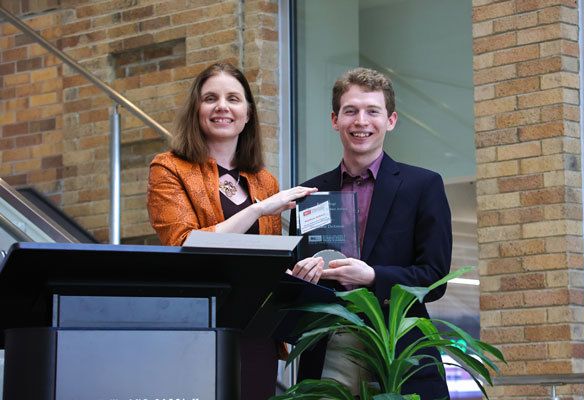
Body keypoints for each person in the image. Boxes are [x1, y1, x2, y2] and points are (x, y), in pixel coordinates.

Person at [147, 62, 316, 400]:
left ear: (248, 113)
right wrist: (257, 209)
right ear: (197, 109)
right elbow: (184, 243)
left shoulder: (263, 180)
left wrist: (297, 274)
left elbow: (263, 260)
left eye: (233, 99)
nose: (222, 107)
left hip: (258, 327)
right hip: (199, 323)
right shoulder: (168, 167)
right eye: (211, 98)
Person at [290, 67, 452, 399]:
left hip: (398, 351)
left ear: (390, 120)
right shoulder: (309, 194)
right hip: (327, 353)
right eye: (350, 111)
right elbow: (300, 289)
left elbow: (435, 278)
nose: (361, 121)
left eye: (372, 111)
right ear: (335, 120)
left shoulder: (423, 185)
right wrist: (299, 279)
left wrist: (373, 277)